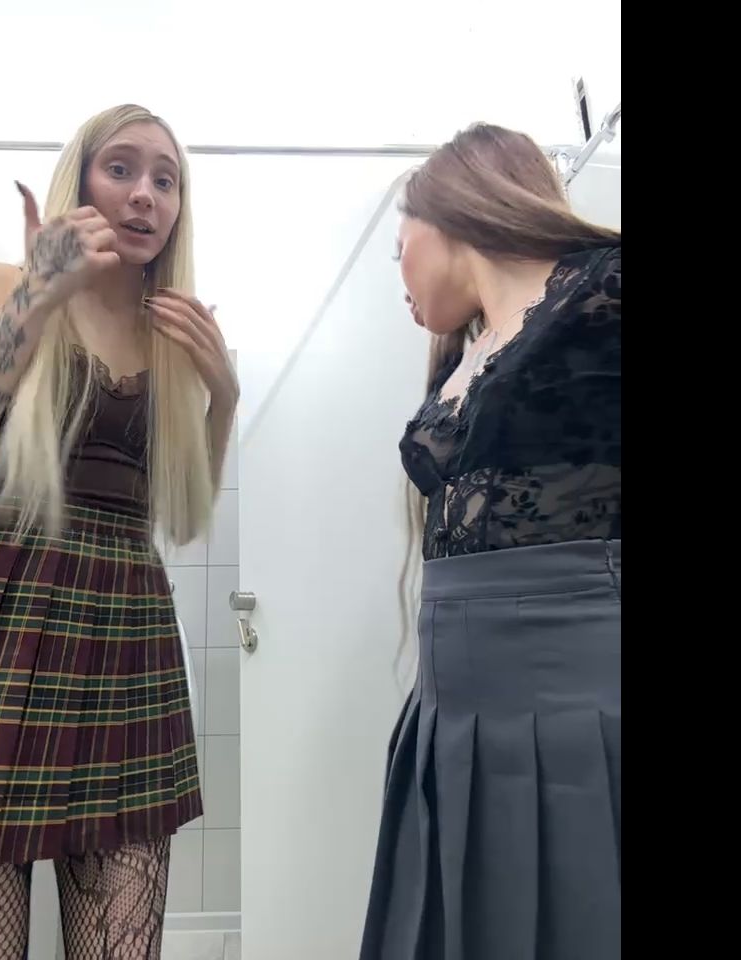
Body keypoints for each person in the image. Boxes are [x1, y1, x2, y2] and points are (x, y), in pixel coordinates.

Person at [0, 104, 239, 960]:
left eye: (166, 180)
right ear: (79, 180)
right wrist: (36, 298)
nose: (145, 194)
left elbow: (182, 518)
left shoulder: (172, 334)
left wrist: (224, 399)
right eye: (120, 168)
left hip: (126, 641)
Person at [359, 123, 620, 960]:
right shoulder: (467, 353)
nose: (399, 274)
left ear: (442, 214)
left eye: (397, 246)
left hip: (578, 703)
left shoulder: (605, 286)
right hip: (454, 716)